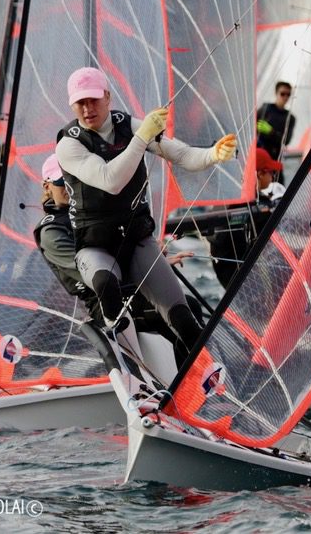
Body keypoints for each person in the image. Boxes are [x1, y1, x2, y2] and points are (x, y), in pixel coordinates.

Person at [55, 66, 236, 353]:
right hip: (95, 248)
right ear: (72, 105)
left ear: (107, 97)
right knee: (106, 284)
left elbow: (183, 155)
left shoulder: (129, 126)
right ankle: (125, 350)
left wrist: (213, 154)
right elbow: (110, 181)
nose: (87, 108)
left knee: (184, 318)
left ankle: (207, 371)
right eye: (80, 102)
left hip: (137, 241)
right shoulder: (69, 144)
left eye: (93, 100)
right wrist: (142, 138)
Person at [34, 155, 100, 319]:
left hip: (135, 286)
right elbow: (94, 273)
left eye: (75, 178)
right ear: (47, 186)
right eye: (62, 181)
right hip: (106, 304)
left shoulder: (93, 208)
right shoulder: (51, 231)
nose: (71, 186)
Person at [210, 147, 284, 289]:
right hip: (238, 277)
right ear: (260, 174)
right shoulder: (243, 203)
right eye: (271, 172)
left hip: (229, 272)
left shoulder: (233, 195)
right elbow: (274, 220)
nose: (273, 177)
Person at [256, 81, 296, 164]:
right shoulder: (265, 108)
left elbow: (286, 141)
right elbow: (252, 126)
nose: (285, 97)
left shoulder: (291, 118)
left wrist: (271, 132)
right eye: (282, 94)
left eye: (288, 94)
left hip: (274, 158)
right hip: (259, 153)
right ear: (276, 93)